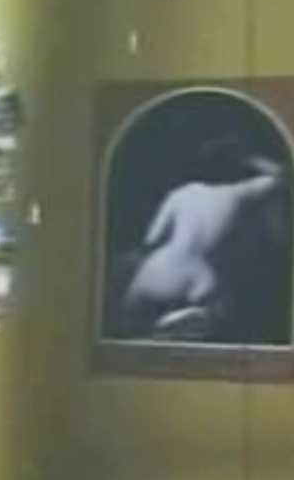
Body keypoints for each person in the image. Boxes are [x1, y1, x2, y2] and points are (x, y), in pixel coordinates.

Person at [115, 138, 289, 342]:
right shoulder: (240, 194)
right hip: (203, 281)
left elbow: (151, 240)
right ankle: (191, 320)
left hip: (163, 271)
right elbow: (285, 176)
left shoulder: (180, 194)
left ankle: (150, 332)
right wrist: (250, 159)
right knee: (221, 307)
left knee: (130, 320)